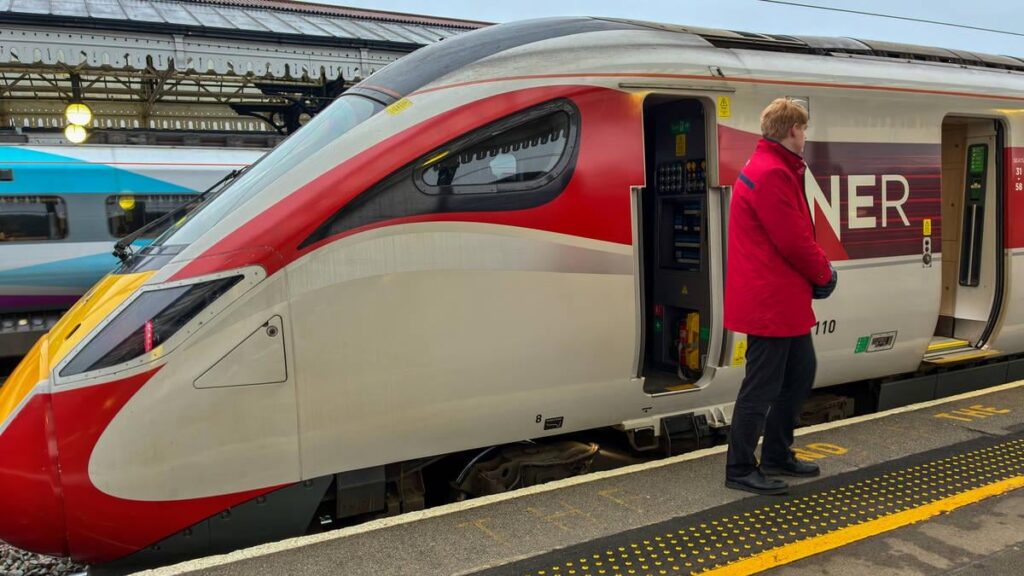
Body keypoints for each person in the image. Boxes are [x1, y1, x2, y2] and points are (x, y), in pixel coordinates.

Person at [723, 98, 838, 496]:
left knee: (799, 375)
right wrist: (825, 273)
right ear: (792, 130)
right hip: (770, 302)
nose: (805, 137)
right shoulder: (772, 173)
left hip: (782, 300)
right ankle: (739, 467)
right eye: (803, 129)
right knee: (761, 387)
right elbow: (794, 240)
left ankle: (776, 454)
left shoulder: (771, 168)